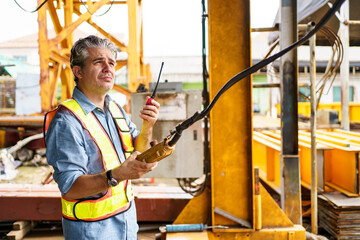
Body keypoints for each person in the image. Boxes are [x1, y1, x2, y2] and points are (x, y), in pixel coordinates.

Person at [44, 35, 160, 239]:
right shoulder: (66, 121)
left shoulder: (115, 109)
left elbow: (137, 150)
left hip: (126, 226)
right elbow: (70, 188)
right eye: (99, 62)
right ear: (78, 71)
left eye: (112, 63)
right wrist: (117, 175)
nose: (108, 68)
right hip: (92, 232)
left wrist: (148, 126)